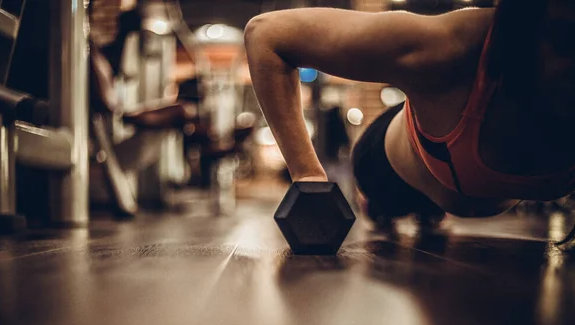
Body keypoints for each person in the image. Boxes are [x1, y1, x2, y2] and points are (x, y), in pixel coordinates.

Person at [244, 0, 575, 227]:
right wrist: (308, 177)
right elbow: (267, 34)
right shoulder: (448, 48)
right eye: (564, 42)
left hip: (456, 186)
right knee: (384, 208)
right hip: (389, 170)